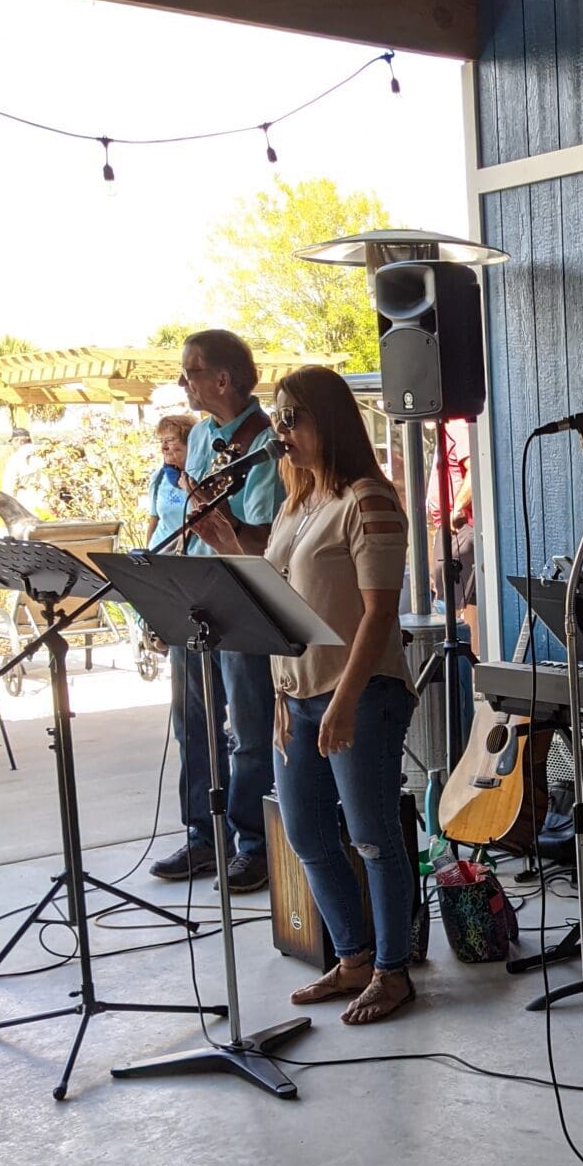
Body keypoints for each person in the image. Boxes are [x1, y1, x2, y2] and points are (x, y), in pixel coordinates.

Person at [230, 366, 415, 1024]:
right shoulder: (296, 502)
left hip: (361, 694)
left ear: (329, 421)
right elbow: (278, 594)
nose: (282, 432)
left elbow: (378, 615)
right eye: (278, 417)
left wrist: (343, 699)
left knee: (372, 836)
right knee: (306, 830)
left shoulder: (367, 500)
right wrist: (285, 689)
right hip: (300, 694)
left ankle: (394, 971)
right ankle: (355, 957)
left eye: (293, 418)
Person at [149, 331, 284, 891]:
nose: (183, 383)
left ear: (222, 379)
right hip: (194, 592)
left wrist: (219, 526)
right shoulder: (201, 434)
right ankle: (205, 838)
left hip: (243, 597)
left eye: (189, 372)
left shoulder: (267, 441)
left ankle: (252, 843)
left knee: (249, 730)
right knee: (192, 723)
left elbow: (264, 536)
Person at [427, 418, 476, 650]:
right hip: (448, 527)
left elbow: (473, 467)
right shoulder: (445, 430)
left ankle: (461, 674)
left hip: (459, 526)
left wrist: (457, 507)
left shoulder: (456, 425)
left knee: (451, 607)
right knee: (455, 603)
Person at [144, 412, 196, 549]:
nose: (163, 447)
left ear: (190, 443)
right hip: (161, 555)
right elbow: (154, 521)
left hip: (192, 558)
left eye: (169, 440)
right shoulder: (159, 477)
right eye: (161, 441)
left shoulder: (204, 477)